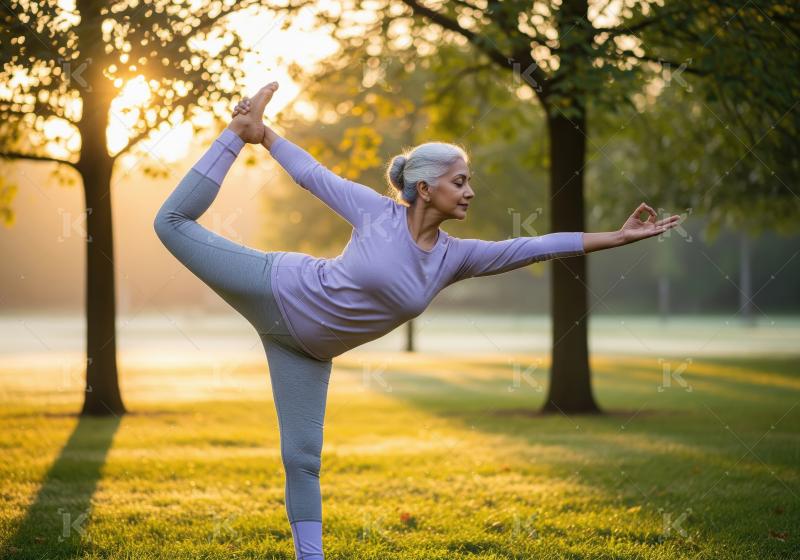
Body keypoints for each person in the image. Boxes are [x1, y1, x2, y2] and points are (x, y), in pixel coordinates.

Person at [153, 81, 681, 559]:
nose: (470, 191)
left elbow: (530, 247)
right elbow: (312, 175)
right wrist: (260, 135)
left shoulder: (455, 257)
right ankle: (233, 134)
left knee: (303, 457)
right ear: (426, 188)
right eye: (460, 181)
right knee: (171, 223)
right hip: (276, 287)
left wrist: (615, 237)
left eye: (469, 181)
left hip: (306, 352)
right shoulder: (374, 213)